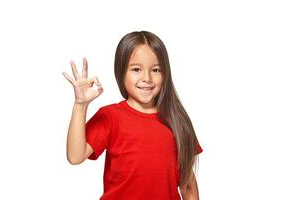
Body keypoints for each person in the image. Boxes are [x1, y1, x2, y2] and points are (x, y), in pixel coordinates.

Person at [62, 31, 203, 200]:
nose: (147, 78)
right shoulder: (110, 116)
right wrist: (80, 105)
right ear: (121, 73)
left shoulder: (177, 120)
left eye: (156, 70)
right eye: (136, 69)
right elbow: (75, 156)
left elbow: (188, 185)